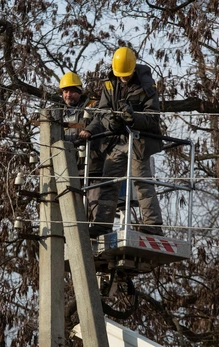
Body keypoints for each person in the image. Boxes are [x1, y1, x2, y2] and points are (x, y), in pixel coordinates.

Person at [79, 47, 164, 237]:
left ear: (134, 69)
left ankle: (153, 224)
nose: (123, 78)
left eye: (126, 75)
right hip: (117, 140)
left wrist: (133, 118)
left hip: (139, 141)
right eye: (120, 75)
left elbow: (152, 118)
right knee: (109, 182)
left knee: (141, 182)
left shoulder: (147, 87)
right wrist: (112, 122)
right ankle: (102, 224)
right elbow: (102, 113)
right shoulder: (110, 84)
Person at [52, 72, 104, 221]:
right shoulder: (58, 112)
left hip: (92, 165)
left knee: (95, 205)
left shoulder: (93, 106)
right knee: (72, 210)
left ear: (80, 92)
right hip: (69, 167)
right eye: (65, 91)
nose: (68, 95)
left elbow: (99, 121)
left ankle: (97, 232)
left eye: (72, 91)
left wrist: (88, 130)